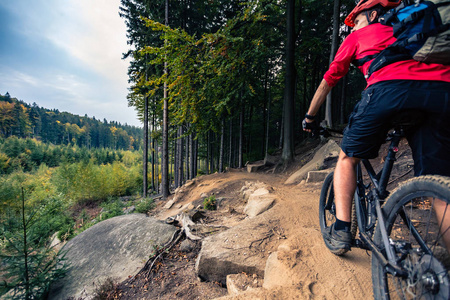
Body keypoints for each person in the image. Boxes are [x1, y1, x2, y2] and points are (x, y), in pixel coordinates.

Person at [303, 0, 450, 252]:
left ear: (372, 14)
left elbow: (330, 78)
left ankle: (341, 230)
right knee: (439, 182)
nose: (353, 28)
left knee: (347, 158)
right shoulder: (409, 30)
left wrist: (309, 117)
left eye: (357, 20)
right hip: (441, 92)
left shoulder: (361, 36)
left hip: (389, 90)